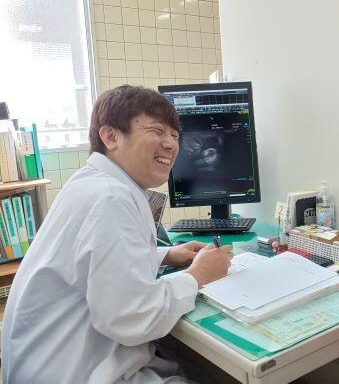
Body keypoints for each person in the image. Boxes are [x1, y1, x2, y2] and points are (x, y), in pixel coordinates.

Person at [2, 85, 233, 384]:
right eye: (157, 130)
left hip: (47, 362)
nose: (171, 144)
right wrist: (198, 275)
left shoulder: (93, 183)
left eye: (175, 136)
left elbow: (90, 262)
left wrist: (166, 254)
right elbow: (132, 317)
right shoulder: (110, 197)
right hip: (75, 372)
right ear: (110, 136)